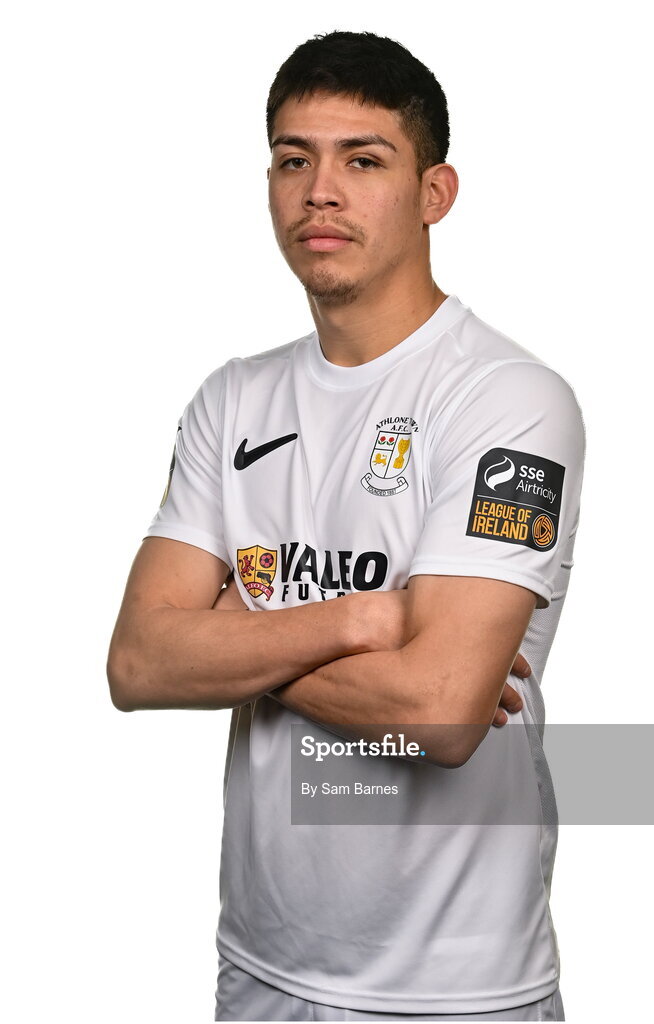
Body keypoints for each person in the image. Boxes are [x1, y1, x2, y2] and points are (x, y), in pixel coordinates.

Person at [107, 30, 584, 1022]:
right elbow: (139, 664)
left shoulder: (511, 400)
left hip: (460, 989)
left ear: (433, 193)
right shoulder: (232, 400)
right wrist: (360, 621)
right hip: (263, 969)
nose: (319, 191)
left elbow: (444, 713)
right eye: (293, 159)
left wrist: (238, 631)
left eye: (363, 159)